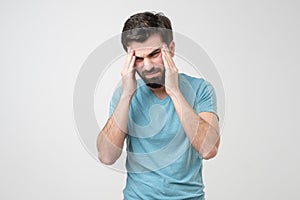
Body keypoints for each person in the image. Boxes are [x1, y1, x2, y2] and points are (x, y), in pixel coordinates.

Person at [97, 11, 220, 200]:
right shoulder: (125, 94)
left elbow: (209, 149)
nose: (147, 66)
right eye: (138, 58)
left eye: (155, 54)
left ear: (171, 49)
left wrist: (174, 91)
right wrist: (127, 94)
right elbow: (106, 156)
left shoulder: (200, 89)